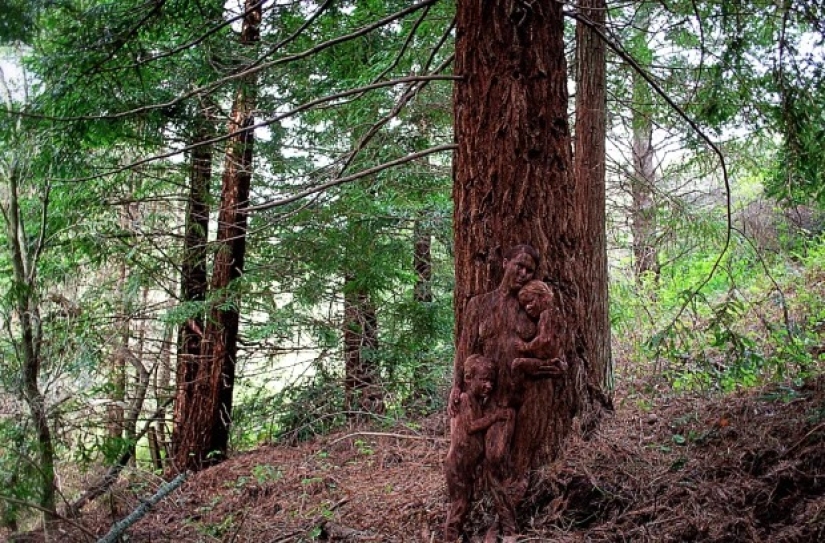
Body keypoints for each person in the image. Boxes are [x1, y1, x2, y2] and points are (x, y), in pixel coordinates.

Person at [448, 244, 540, 540]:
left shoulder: (530, 306)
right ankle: (461, 526)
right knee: (467, 463)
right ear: (505, 263)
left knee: (496, 455)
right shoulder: (479, 305)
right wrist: (457, 386)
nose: (524, 274)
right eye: (520, 266)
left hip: (508, 399)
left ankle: (507, 525)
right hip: (479, 399)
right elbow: (464, 350)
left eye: (530, 270)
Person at [444, 355, 512, 542]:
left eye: (491, 381)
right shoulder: (465, 399)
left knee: (466, 500)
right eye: (483, 380)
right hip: (457, 464)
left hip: (468, 465)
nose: (489, 385)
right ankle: (450, 537)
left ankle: (457, 534)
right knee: (460, 503)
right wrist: (496, 416)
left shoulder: (476, 401)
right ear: (468, 379)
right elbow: (472, 426)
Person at [512, 280, 568, 379]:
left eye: (530, 301)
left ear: (543, 297)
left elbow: (544, 338)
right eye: (524, 305)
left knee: (517, 363)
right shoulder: (554, 313)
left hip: (548, 360)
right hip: (551, 358)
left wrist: (525, 346)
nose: (527, 307)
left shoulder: (547, 314)